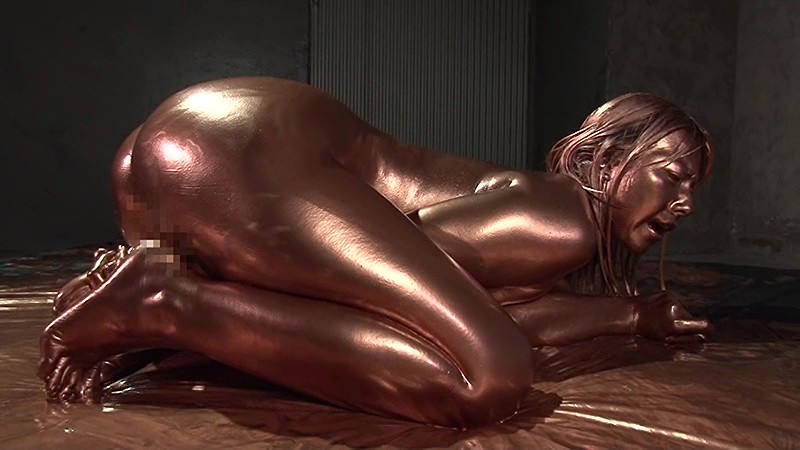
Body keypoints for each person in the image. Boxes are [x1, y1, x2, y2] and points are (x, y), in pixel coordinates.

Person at [38, 77, 713, 429]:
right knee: (489, 377)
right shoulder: (563, 213)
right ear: (608, 160)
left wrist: (631, 318)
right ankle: (168, 303)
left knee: (475, 342)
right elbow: (414, 258)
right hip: (241, 153)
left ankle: (168, 291)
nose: (684, 203)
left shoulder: (552, 229)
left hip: (193, 157)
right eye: (672, 176)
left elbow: (466, 307)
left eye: (693, 189)